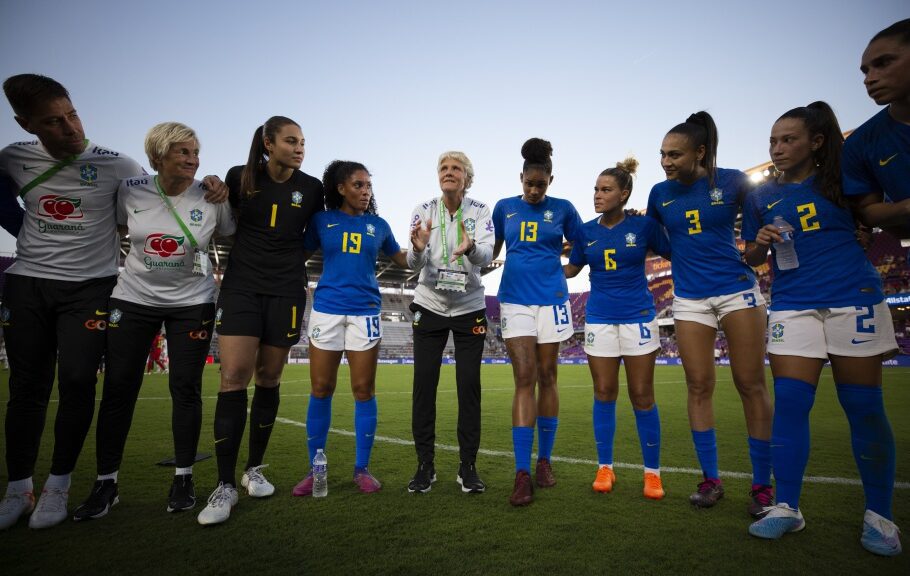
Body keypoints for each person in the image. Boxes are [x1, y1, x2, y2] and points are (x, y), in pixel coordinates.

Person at [743, 102, 901, 556]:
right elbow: (752, 259)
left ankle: (880, 516)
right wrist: (759, 244)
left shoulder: (843, 179)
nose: (777, 148)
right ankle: (787, 507)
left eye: (788, 139)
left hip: (853, 297)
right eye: (772, 140)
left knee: (864, 407)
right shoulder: (759, 197)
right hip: (793, 304)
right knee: (790, 404)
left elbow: (874, 217)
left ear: (816, 142)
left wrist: (865, 229)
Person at [0, 74, 149, 531]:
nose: (70, 128)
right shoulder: (12, 159)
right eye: (53, 121)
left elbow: (147, 212)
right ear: (26, 124)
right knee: (27, 387)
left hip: (90, 287)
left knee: (79, 379)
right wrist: (19, 225)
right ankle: (18, 487)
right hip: (27, 283)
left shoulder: (117, 165)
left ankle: (58, 486)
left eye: (72, 114)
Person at [71, 122, 235, 520]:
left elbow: (228, 234)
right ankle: (106, 482)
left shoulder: (213, 196)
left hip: (192, 302)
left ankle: (183, 477)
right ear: (157, 157)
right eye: (182, 152)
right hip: (133, 299)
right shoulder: (130, 189)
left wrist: (224, 191)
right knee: (118, 389)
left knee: (186, 388)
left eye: (195, 152)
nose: (193, 159)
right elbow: (114, 227)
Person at [645, 112, 773, 515]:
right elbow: (656, 241)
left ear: (700, 152)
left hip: (737, 292)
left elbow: (756, 236)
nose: (666, 162)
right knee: (698, 386)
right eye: (663, 154)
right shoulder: (658, 193)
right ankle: (711, 480)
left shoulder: (733, 181)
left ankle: (762, 486)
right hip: (689, 299)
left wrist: (759, 248)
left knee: (750, 384)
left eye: (675, 154)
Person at [198, 117, 323, 526]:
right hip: (241, 286)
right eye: (291, 141)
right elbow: (220, 217)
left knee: (269, 377)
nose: (300, 147)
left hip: (286, 289)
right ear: (269, 144)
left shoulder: (312, 188)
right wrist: (214, 186)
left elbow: (314, 236)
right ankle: (224, 485)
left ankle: (253, 469)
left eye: (303, 141)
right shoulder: (241, 177)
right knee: (234, 374)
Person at [292, 160, 407, 496]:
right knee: (321, 388)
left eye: (368, 186)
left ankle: (362, 469)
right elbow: (296, 255)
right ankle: (315, 470)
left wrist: (420, 246)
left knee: (363, 390)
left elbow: (403, 260)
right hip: (326, 311)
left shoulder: (379, 225)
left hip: (366, 312)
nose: (365, 191)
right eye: (358, 185)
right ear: (340, 188)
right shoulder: (322, 220)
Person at [564, 157, 671, 500]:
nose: (597, 195)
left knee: (642, 395)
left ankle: (652, 474)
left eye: (606, 189)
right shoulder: (585, 232)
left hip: (639, 316)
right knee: (604, 392)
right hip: (598, 318)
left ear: (624, 194)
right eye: (596, 188)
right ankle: (605, 467)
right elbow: (572, 270)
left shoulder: (644, 227)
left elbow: (676, 251)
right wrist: (538, 258)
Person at [492, 138, 584, 506]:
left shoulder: (563, 209)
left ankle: (544, 460)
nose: (533, 190)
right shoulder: (504, 208)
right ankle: (521, 472)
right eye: (528, 183)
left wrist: (570, 269)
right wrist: (473, 259)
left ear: (550, 180)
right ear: (520, 178)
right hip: (514, 299)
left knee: (548, 377)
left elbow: (583, 244)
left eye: (540, 185)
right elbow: (492, 250)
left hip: (552, 301)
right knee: (524, 377)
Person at [405, 151, 494, 494]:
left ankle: (467, 467)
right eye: (443, 167)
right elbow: (414, 263)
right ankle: (425, 466)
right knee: (424, 385)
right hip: (429, 305)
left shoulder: (480, 211)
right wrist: (417, 247)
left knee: (469, 384)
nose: (449, 172)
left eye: (456, 168)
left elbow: (485, 256)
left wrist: (471, 249)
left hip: (469, 306)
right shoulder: (423, 210)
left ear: (467, 178)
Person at [843, 19, 910, 239]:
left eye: (884, 63)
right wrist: (904, 209)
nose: (869, 79)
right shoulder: (859, 143)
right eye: (865, 71)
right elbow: (867, 211)